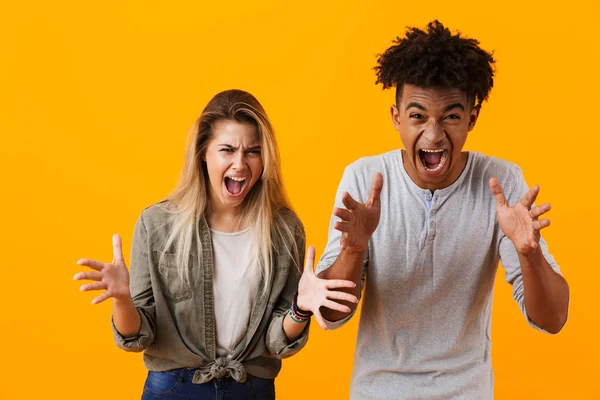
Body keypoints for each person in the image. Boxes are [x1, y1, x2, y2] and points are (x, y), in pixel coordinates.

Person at [316, 21, 570, 399]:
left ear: (472, 117)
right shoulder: (365, 179)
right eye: (418, 115)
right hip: (379, 390)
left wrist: (529, 253)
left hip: (466, 391)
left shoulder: (501, 183)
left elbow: (553, 320)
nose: (433, 135)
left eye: (450, 116)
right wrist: (354, 249)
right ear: (396, 117)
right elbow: (331, 315)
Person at [74, 89, 358, 399]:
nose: (240, 163)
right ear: (203, 153)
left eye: (252, 151)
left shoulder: (285, 231)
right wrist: (122, 300)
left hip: (251, 390)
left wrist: (300, 309)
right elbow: (137, 337)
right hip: (174, 389)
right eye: (227, 149)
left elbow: (277, 342)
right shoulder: (156, 224)